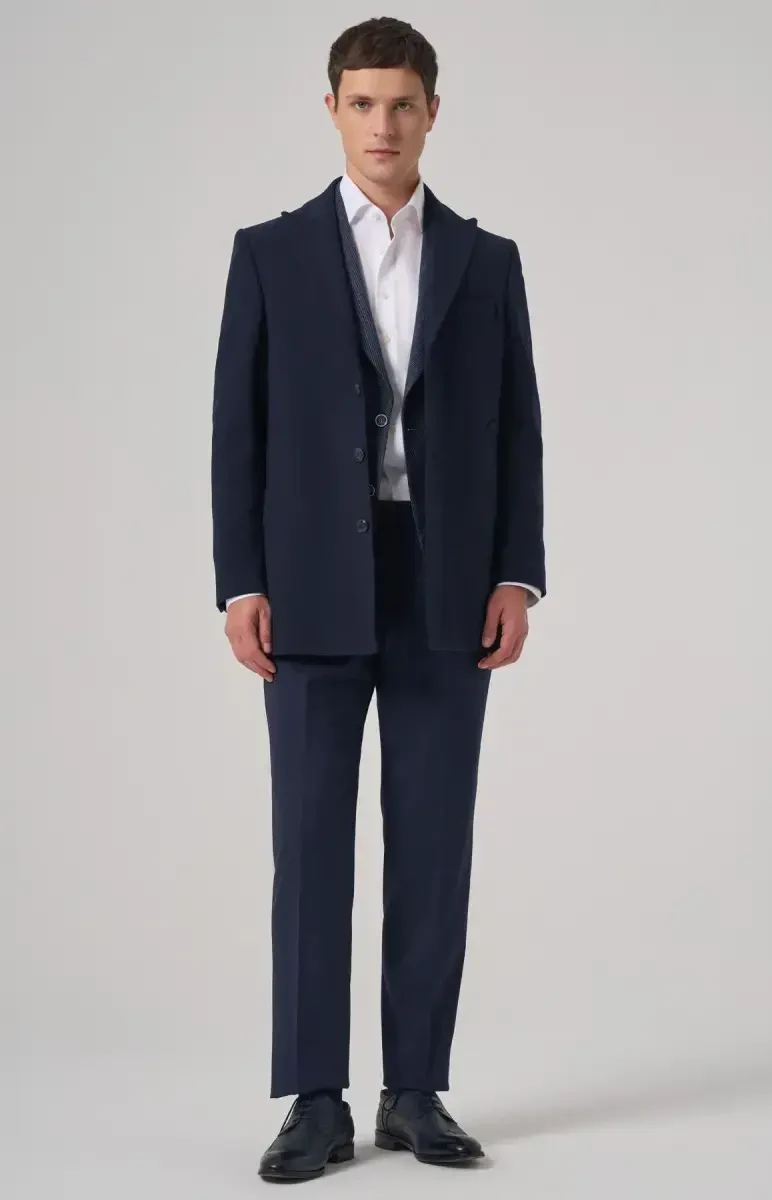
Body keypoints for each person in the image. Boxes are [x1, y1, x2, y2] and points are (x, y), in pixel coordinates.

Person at [211, 15, 546, 1183]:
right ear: (332, 111)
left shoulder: (485, 261)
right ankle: (313, 1099)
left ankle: (413, 1092)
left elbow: (517, 430)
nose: (382, 125)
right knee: (309, 847)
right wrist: (240, 580)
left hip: (445, 583)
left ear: (431, 113)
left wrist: (515, 573)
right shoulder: (270, 254)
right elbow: (236, 430)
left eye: (402, 103)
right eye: (362, 103)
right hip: (307, 581)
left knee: (432, 845)